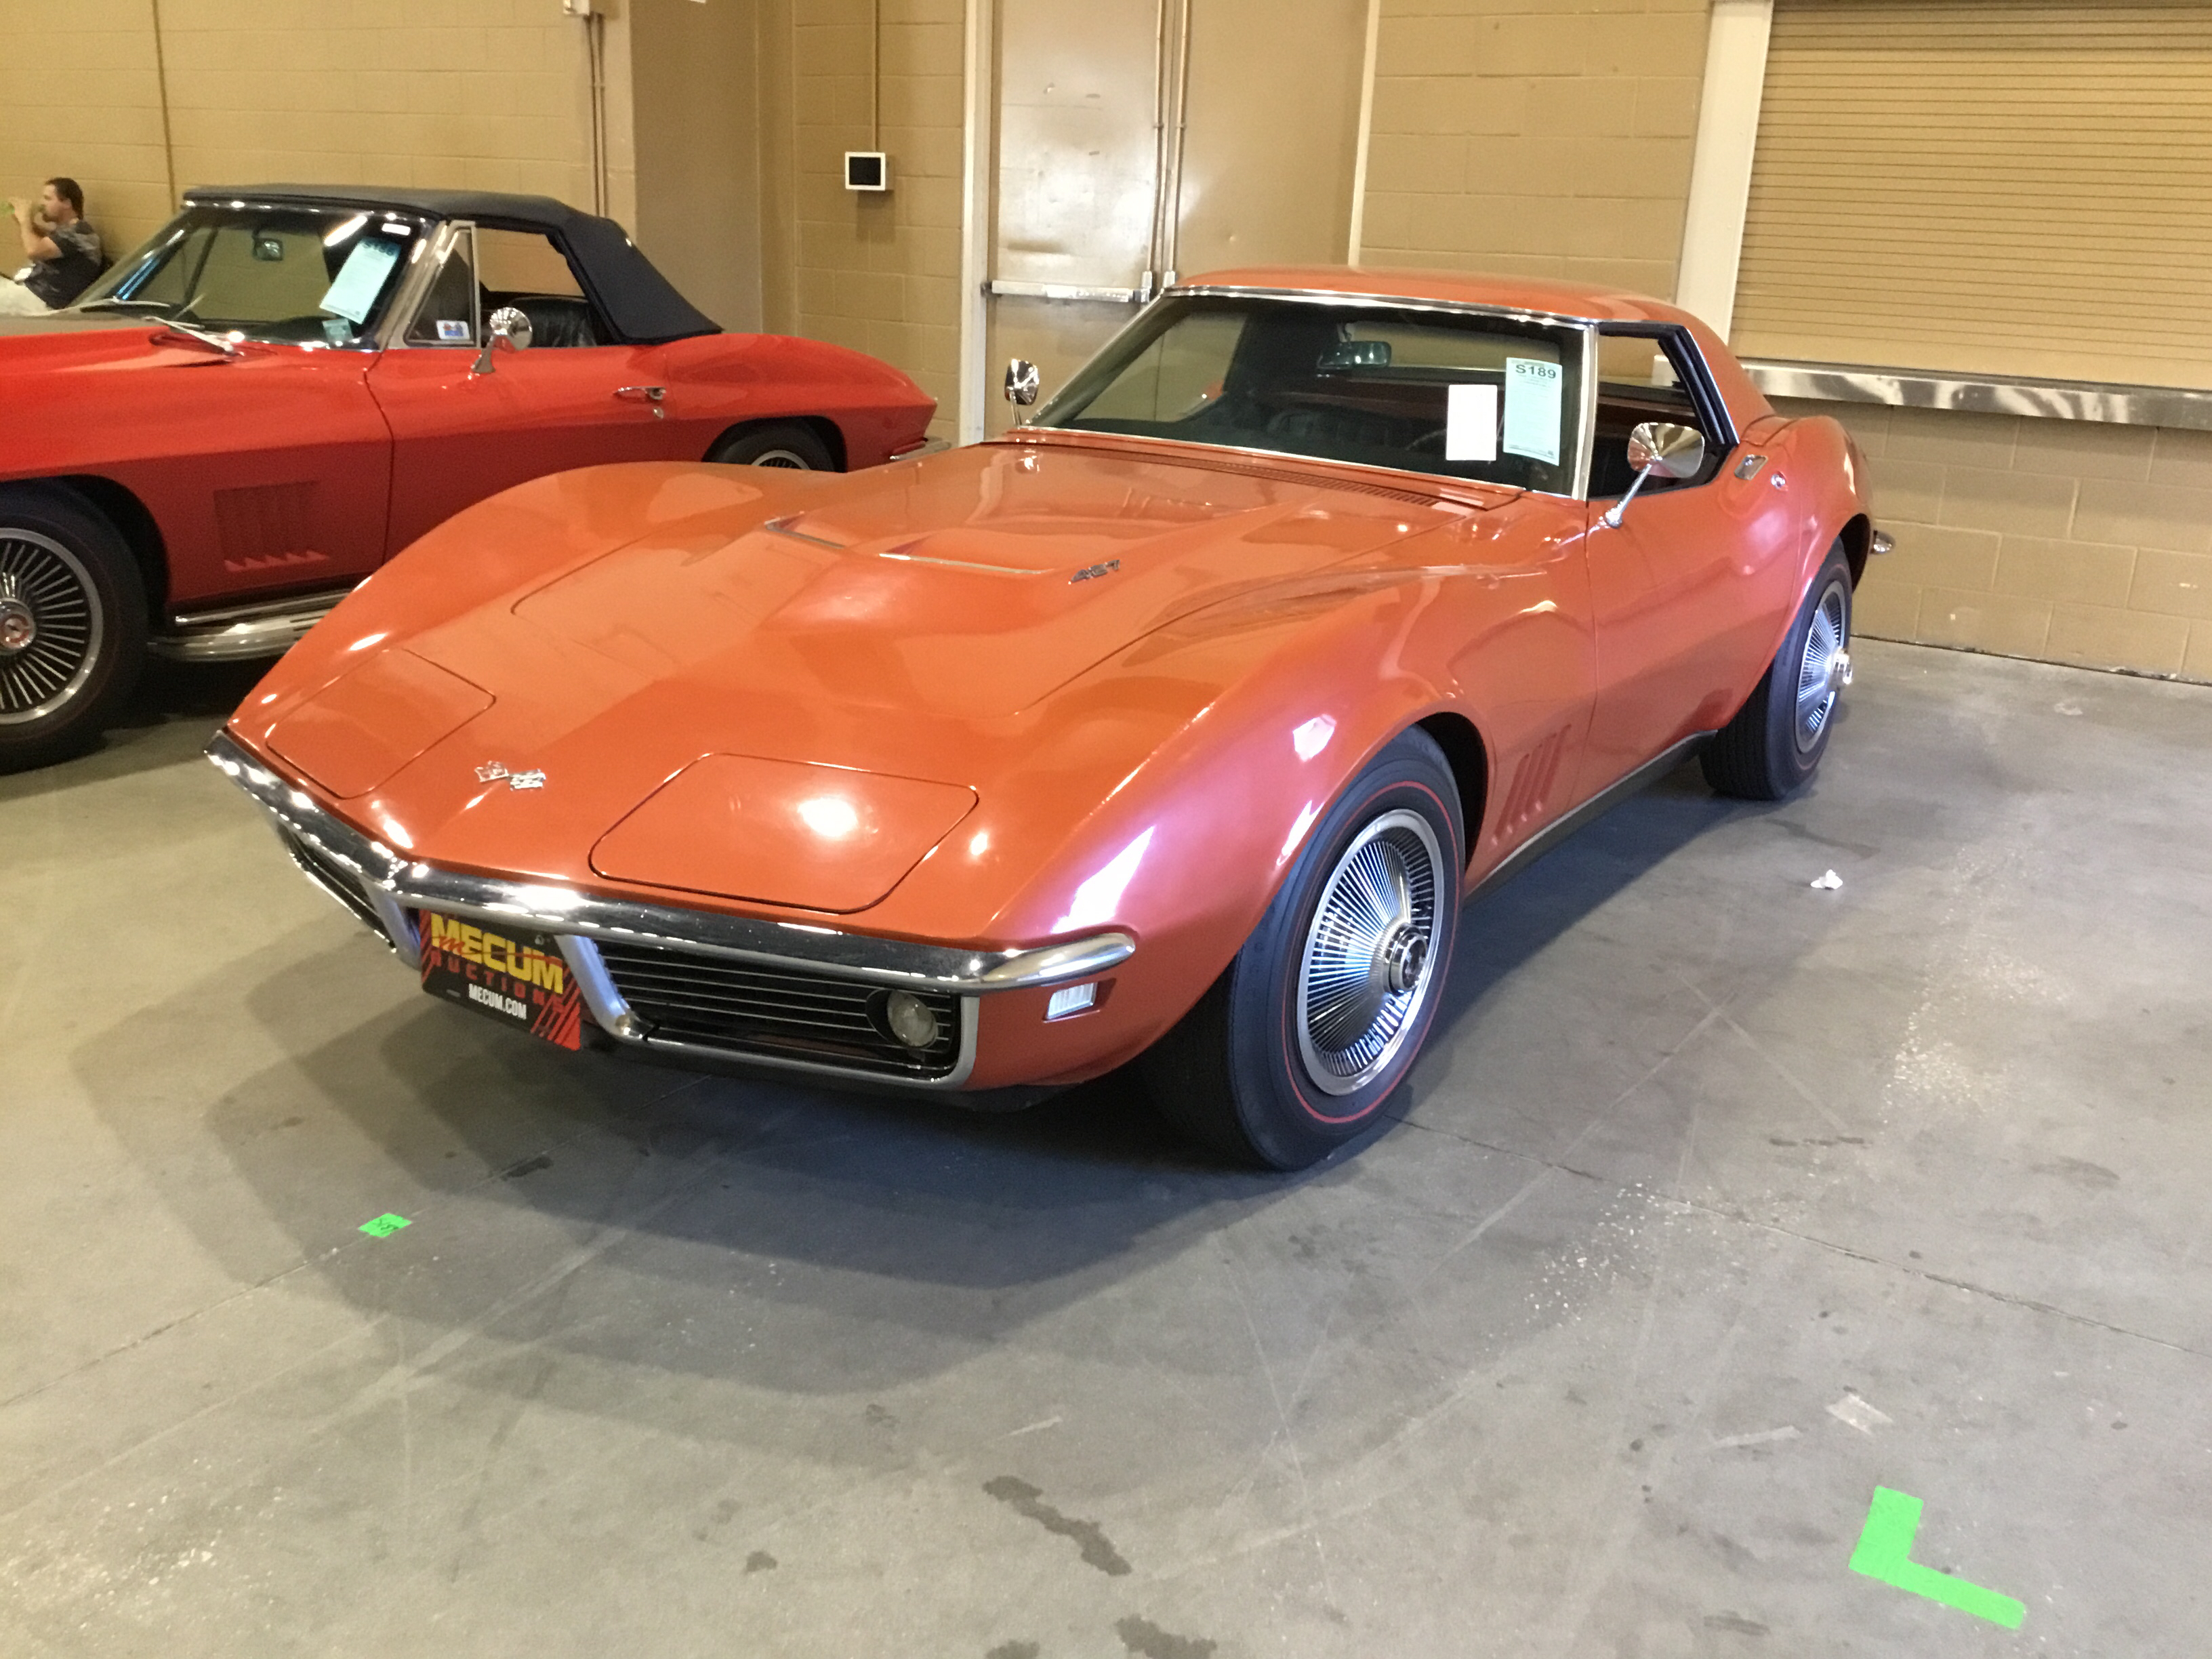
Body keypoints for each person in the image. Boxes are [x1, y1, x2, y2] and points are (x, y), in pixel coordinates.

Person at [1, 178, 103, 316]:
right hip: (31, 293)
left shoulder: (79, 232)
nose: (42, 203)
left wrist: (25, 221)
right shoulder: (67, 231)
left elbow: (34, 251)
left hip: (42, 302)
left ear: (67, 203)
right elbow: (42, 239)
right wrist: (22, 220)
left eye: (47, 198)